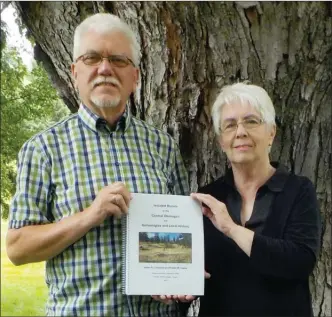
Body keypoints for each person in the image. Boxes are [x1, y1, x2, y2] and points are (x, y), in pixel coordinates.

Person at [6, 13, 189, 316]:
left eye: (118, 60)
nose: (105, 69)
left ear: (136, 77)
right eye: (92, 58)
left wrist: (173, 276)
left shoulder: (162, 147)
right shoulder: (43, 149)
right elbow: (17, 248)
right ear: (75, 72)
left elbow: (180, 236)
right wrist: (91, 215)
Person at [188, 82, 322, 316]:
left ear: (271, 132)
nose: (240, 132)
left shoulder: (298, 191)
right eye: (230, 125)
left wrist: (230, 228)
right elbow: (198, 270)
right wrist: (180, 286)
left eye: (251, 121)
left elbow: (299, 262)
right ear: (221, 142)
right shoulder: (209, 196)